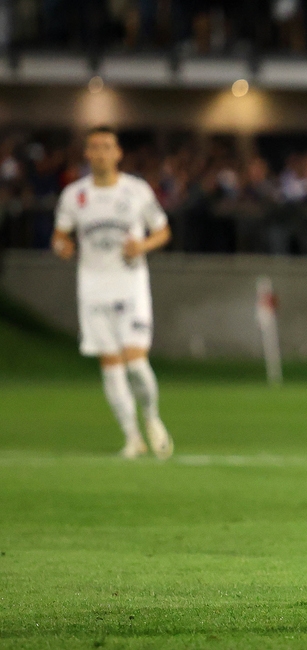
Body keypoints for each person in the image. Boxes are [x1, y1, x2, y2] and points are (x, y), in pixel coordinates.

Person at [51, 126, 174, 460]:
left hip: (130, 286)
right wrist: (62, 247)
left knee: (135, 362)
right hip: (92, 288)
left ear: (118, 153)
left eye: (107, 146)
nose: (101, 152)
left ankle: (151, 417)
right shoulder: (74, 195)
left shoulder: (136, 191)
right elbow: (60, 236)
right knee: (110, 363)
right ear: (87, 154)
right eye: (95, 147)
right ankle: (132, 437)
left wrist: (142, 245)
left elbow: (163, 231)